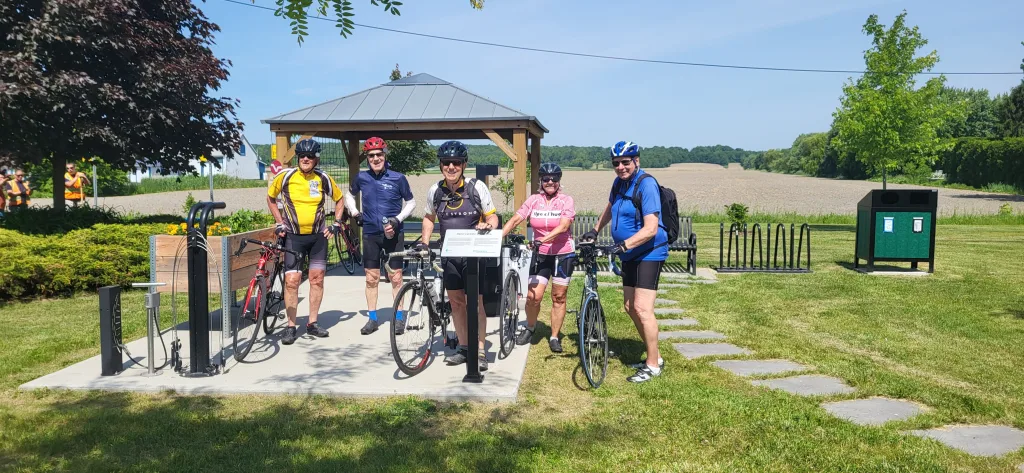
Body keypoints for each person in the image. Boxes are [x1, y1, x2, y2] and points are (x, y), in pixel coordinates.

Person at [582, 141, 668, 383]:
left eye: (625, 162)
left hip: (649, 252)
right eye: (616, 163)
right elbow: (611, 206)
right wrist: (595, 230)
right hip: (630, 253)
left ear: (636, 161)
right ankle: (655, 356)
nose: (621, 167)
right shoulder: (619, 183)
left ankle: (653, 365)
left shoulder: (647, 184)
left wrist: (622, 245)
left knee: (642, 308)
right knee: (630, 308)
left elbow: (651, 229)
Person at [416, 141, 499, 372]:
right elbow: (428, 218)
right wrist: (424, 243)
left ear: (464, 165)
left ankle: (480, 351)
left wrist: (488, 225)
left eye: (456, 163)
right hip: (449, 256)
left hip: (474, 256)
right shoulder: (435, 191)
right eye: (446, 163)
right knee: (456, 303)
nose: (451, 167)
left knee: (477, 303)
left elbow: (493, 218)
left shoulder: (476, 187)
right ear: (441, 165)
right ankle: (464, 348)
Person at [266, 138, 344, 345]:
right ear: (298, 158)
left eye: (310, 156)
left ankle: (312, 323)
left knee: (317, 279)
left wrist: (336, 223)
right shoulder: (285, 176)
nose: (306, 159)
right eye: (302, 156)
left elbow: (340, 198)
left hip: (318, 237)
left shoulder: (323, 178)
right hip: (293, 236)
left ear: (316, 160)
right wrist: (279, 222)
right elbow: (270, 197)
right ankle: (291, 326)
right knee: (292, 282)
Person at [343, 137, 417, 335]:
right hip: (370, 233)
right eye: (371, 156)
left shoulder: (398, 178)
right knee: (371, 278)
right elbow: (349, 195)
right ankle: (373, 318)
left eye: (379, 155)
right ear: (367, 158)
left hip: (393, 233)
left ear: (385, 155)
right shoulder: (361, 178)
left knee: (396, 277)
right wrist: (355, 212)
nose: (375, 159)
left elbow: (411, 203)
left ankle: (399, 318)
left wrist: (397, 220)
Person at [501, 162, 576, 353]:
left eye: (554, 179)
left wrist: (542, 239)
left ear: (559, 181)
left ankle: (554, 336)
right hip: (541, 255)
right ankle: (531, 327)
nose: (550, 182)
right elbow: (517, 217)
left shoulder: (566, 200)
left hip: (563, 253)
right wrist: (499, 236)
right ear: (541, 181)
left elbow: (564, 226)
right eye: (546, 179)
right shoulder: (534, 200)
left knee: (558, 296)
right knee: (534, 296)